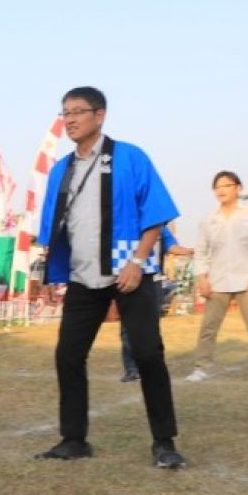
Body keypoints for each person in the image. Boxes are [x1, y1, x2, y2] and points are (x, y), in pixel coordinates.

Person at [34, 86, 185, 468]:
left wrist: (137, 260)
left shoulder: (131, 157)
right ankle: (74, 439)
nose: (69, 119)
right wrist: (50, 274)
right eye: (64, 112)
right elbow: (55, 227)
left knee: (148, 354)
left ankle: (164, 442)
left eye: (77, 112)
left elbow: (156, 214)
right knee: (68, 355)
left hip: (129, 271)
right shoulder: (61, 170)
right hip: (84, 277)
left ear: (99, 115)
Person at [186, 171, 248, 386]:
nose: (221, 190)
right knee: (208, 327)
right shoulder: (209, 219)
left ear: (238, 188)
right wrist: (202, 278)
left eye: (226, 185)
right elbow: (200, 250)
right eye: (217, 187)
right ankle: (201, 368)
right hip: (218, 281)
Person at [118, 226, 192, 381]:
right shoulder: (128, 223)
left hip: (153, 281)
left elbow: (171, 246)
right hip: (128, 279)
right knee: (127, 328)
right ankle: (131, 369)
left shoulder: (160, 228)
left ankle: (153, 366)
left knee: (151, 327)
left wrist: (188, 251)